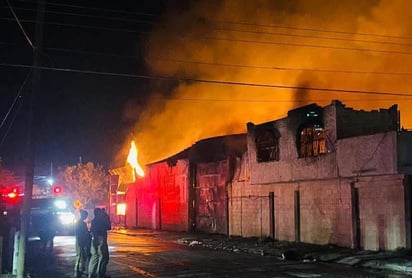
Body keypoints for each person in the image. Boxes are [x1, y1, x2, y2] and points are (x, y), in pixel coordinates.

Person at [88, 208, 111, 278]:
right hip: (101, 239)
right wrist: (106, 217)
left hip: (94, 240)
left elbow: (92, 231)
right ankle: (100, 274)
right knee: (103, 257)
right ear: (99, 214)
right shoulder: (101, 221)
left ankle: (91, 273)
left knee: (95, 257)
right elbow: (109, 227)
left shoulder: (93, 221)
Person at [74, 209, 91, 278]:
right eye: (86, 215)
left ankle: (78, 269)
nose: (86, 217)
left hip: (79, 240)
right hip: (81, 240)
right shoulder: (82, 223)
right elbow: (85, 232)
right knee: (81, 255)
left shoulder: (78, 222)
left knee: (80, 254)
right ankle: (79, 269)